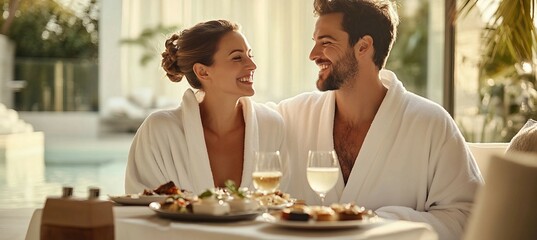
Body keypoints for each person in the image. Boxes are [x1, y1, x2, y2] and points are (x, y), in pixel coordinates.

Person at [273, 1, 483, 239]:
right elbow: (243, 123)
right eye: (315, 42)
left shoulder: (430, 123)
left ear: (363, 47)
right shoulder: (293, 114)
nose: (313, 55)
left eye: (326, 43)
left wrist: (377, 224)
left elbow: (467, 216)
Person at [125, 20, 285, 195]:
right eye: (237, 57)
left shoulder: (270, 126)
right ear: (202, 71)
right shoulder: (160, 131)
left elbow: (281, 202)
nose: (252, 66)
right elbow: (141, 207)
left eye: (250, 55)